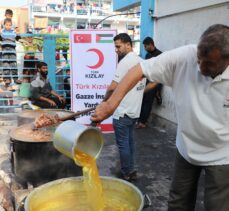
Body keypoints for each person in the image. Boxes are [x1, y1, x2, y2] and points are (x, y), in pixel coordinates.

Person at [91, 24, 229, 211]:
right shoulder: (185, 56)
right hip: (186, 148)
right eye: (199, 60)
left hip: (222, 154)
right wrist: (110, 104)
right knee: (178, 202)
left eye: (210, 64)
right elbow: (139, 69)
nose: (201, 67)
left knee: (217, 206)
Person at [102, 33, 146, 181]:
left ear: (128, 45)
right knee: (130, 143)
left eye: (118, 46)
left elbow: (112, 88)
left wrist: (104, 102)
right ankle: (131, 169)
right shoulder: (141, 62)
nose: (116, 50)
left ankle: (127, 172)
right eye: (115, 47)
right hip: (134, 111)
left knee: (123, 145)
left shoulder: (125, 62)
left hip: (122, 112)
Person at [136, 37, 163, 128]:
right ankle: (140, 120)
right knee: (142, 100)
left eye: (145, 46)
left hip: (155, 82)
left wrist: (158, 89)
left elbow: (161, 71)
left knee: (148, 102)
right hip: (147, 81)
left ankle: (142, 122)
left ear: (151, 44)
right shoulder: (147, 55)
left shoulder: (160, 55)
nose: (144, 48)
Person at [0, 18, 21, 83]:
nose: (8, 26)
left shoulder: (13, 31)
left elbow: (16, 36)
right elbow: (3, 36)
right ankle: (7, 78)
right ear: (4, 25)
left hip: (12, 48)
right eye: (7, 25)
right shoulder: (2, 31)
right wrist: (10, 37)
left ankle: (15, 78)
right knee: (5, 64)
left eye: (10, 25)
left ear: (11, 25)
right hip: (5, 48)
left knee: (13, 64)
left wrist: (16, 33)